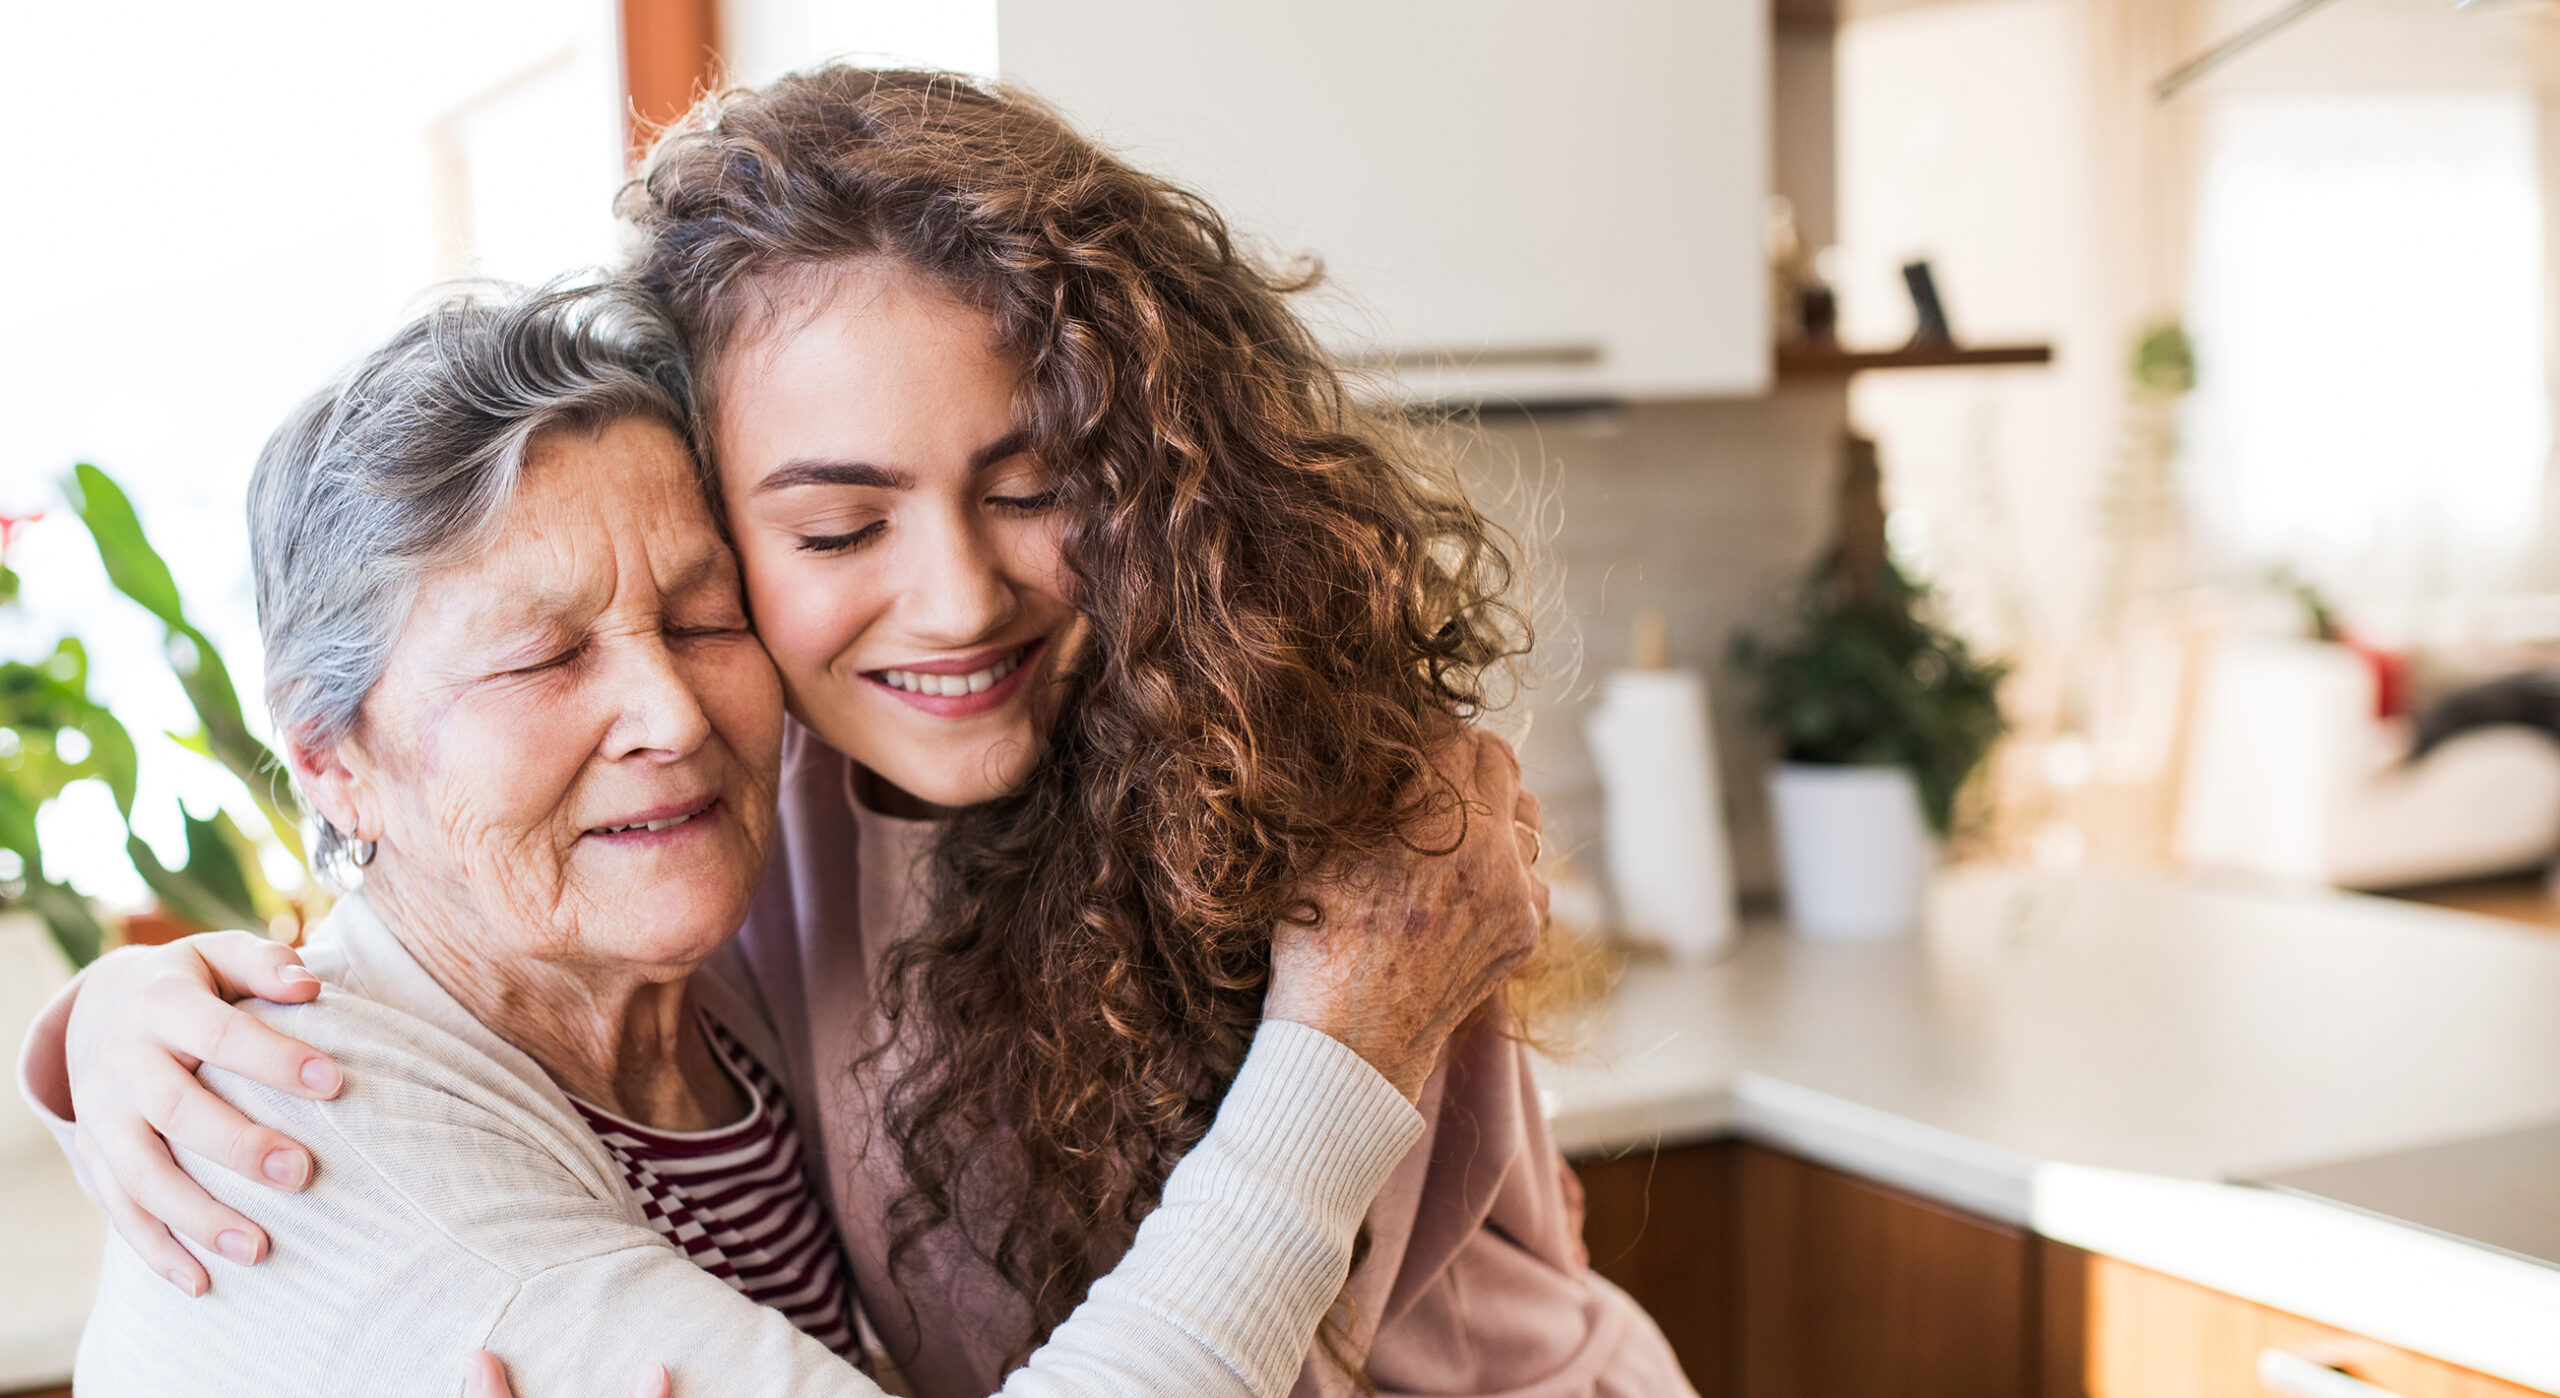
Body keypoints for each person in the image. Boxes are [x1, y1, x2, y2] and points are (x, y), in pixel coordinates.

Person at [30, 67, 1691, 1397]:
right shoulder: (725, 846)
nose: (956, 600)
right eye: (834, 535)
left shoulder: (1270, 777)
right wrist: (108, 1019)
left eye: (1035, 487)